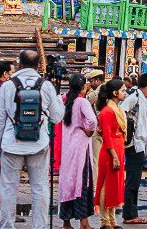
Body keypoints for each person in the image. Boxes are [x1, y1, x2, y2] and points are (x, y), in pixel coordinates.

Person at [0, 48, 67, 229]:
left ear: (19, 64)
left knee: (8, 188)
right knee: (40, 188)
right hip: (38, 144)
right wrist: (56, 97)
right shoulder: (46, 86)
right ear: (38, 65)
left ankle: (7, 225)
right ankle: (39, 226)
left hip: (11, 145)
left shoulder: (8, 86)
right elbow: (57, 117)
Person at [58, 73, 98, 229]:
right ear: (83, 87)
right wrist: (87, 130)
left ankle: (66, 222)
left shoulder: (66, 100)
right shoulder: (82, 101)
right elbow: (93, 121)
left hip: (67, 148)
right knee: (82, 183)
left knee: (68, 183)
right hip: (80, 149)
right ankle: (84, 222)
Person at [125, 74, 147, 225]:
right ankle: (130, 214)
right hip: (134, 144)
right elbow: (121, 111)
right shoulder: (134, 97)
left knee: (135, 180)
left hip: (141, 145)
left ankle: (131, 212)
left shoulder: (144, 100)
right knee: (133, 180)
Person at [98, 77, 130, 227]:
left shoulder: (117, 109)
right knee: (106, 186)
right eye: (123, 90)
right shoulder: (107, 111)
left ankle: (112, 219)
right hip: (111, 151)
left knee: (114, 186)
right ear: (115, 93)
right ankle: (105, 221)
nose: (125, 92)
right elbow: (106, 136)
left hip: (118, 148)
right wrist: (115, 157)